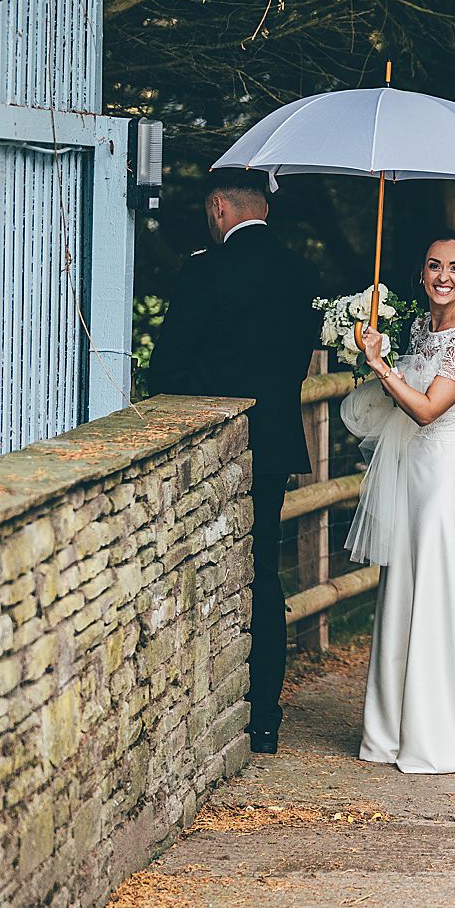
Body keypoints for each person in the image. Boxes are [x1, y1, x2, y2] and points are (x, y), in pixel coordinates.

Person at [148, 172, 313, 755]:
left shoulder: (204, 270)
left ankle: (202, 708)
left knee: (203, 565)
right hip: (271, 446)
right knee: (264, 573)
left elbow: (167, 371)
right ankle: (264, 717)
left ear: (218, 208)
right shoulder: (301, 273)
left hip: (210, 445)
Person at [340, 230, 455, 773]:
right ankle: (392, 729)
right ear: (422, 272)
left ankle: (439, 731)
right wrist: (374, 351)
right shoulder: (417, 327)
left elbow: (426, 410)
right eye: (434, 266)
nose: (443, 277)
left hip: (446, 478)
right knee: (404, 591)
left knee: (439, 592)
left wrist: (379, 366)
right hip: (410, 474)